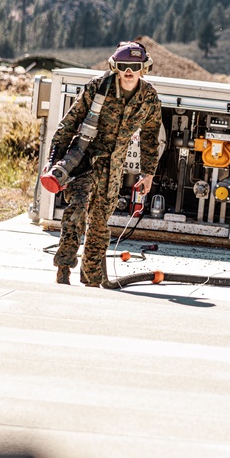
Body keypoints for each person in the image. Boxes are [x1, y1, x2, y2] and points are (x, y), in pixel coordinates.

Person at [46, 41, 163, 286]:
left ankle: (91, 279)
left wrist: (148, 173)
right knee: (76, 213)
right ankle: (64, 269)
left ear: (144, 68)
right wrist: (53, 161)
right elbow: (69, 123)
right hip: (84, 162)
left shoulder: (149, 97)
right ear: (115, 67)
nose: (129, 72)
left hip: (113, 169)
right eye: (123, 66)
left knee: (99, 224)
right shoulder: (98, 87)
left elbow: (151, 137)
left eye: (134, 66)